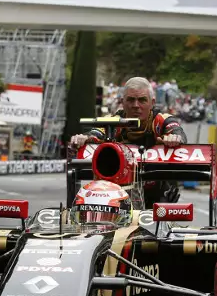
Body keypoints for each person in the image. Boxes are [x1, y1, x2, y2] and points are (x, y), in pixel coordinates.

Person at [69, 76, 187, 206]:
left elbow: (178, 133)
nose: (136, 106)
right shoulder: (112, 121)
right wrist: (84, 138)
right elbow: (96, 133)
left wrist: (174, 138)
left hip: (158, 193)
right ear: (122, 102)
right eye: (131, 100)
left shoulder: (162, 120)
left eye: (142, 100)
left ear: (152, 102)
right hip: (119, 192)